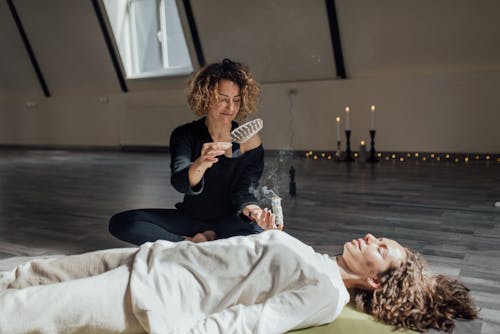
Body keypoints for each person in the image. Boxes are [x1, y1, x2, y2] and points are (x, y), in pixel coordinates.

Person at [0, 231, 477, 333]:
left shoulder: (327, 295)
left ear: (376, 283)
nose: (371, 237)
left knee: (23, 312)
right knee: (28, 273)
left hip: (146, 296)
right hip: (151, 258)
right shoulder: (318, 261)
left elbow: (248, 324)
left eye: (382, 248)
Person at [109, 58, 278, 245]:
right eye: (223, 99)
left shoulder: (250, 141)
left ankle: (200, 241)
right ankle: (187, 244)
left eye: (236, 100)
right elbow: (180, 183)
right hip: (190, 218)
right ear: (206, 97)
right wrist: (201, 162)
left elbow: (244, 191)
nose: (231, 108)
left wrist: (254, 211)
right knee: (124, 222)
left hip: (229, 222)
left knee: (262, 233)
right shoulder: (185, 135)